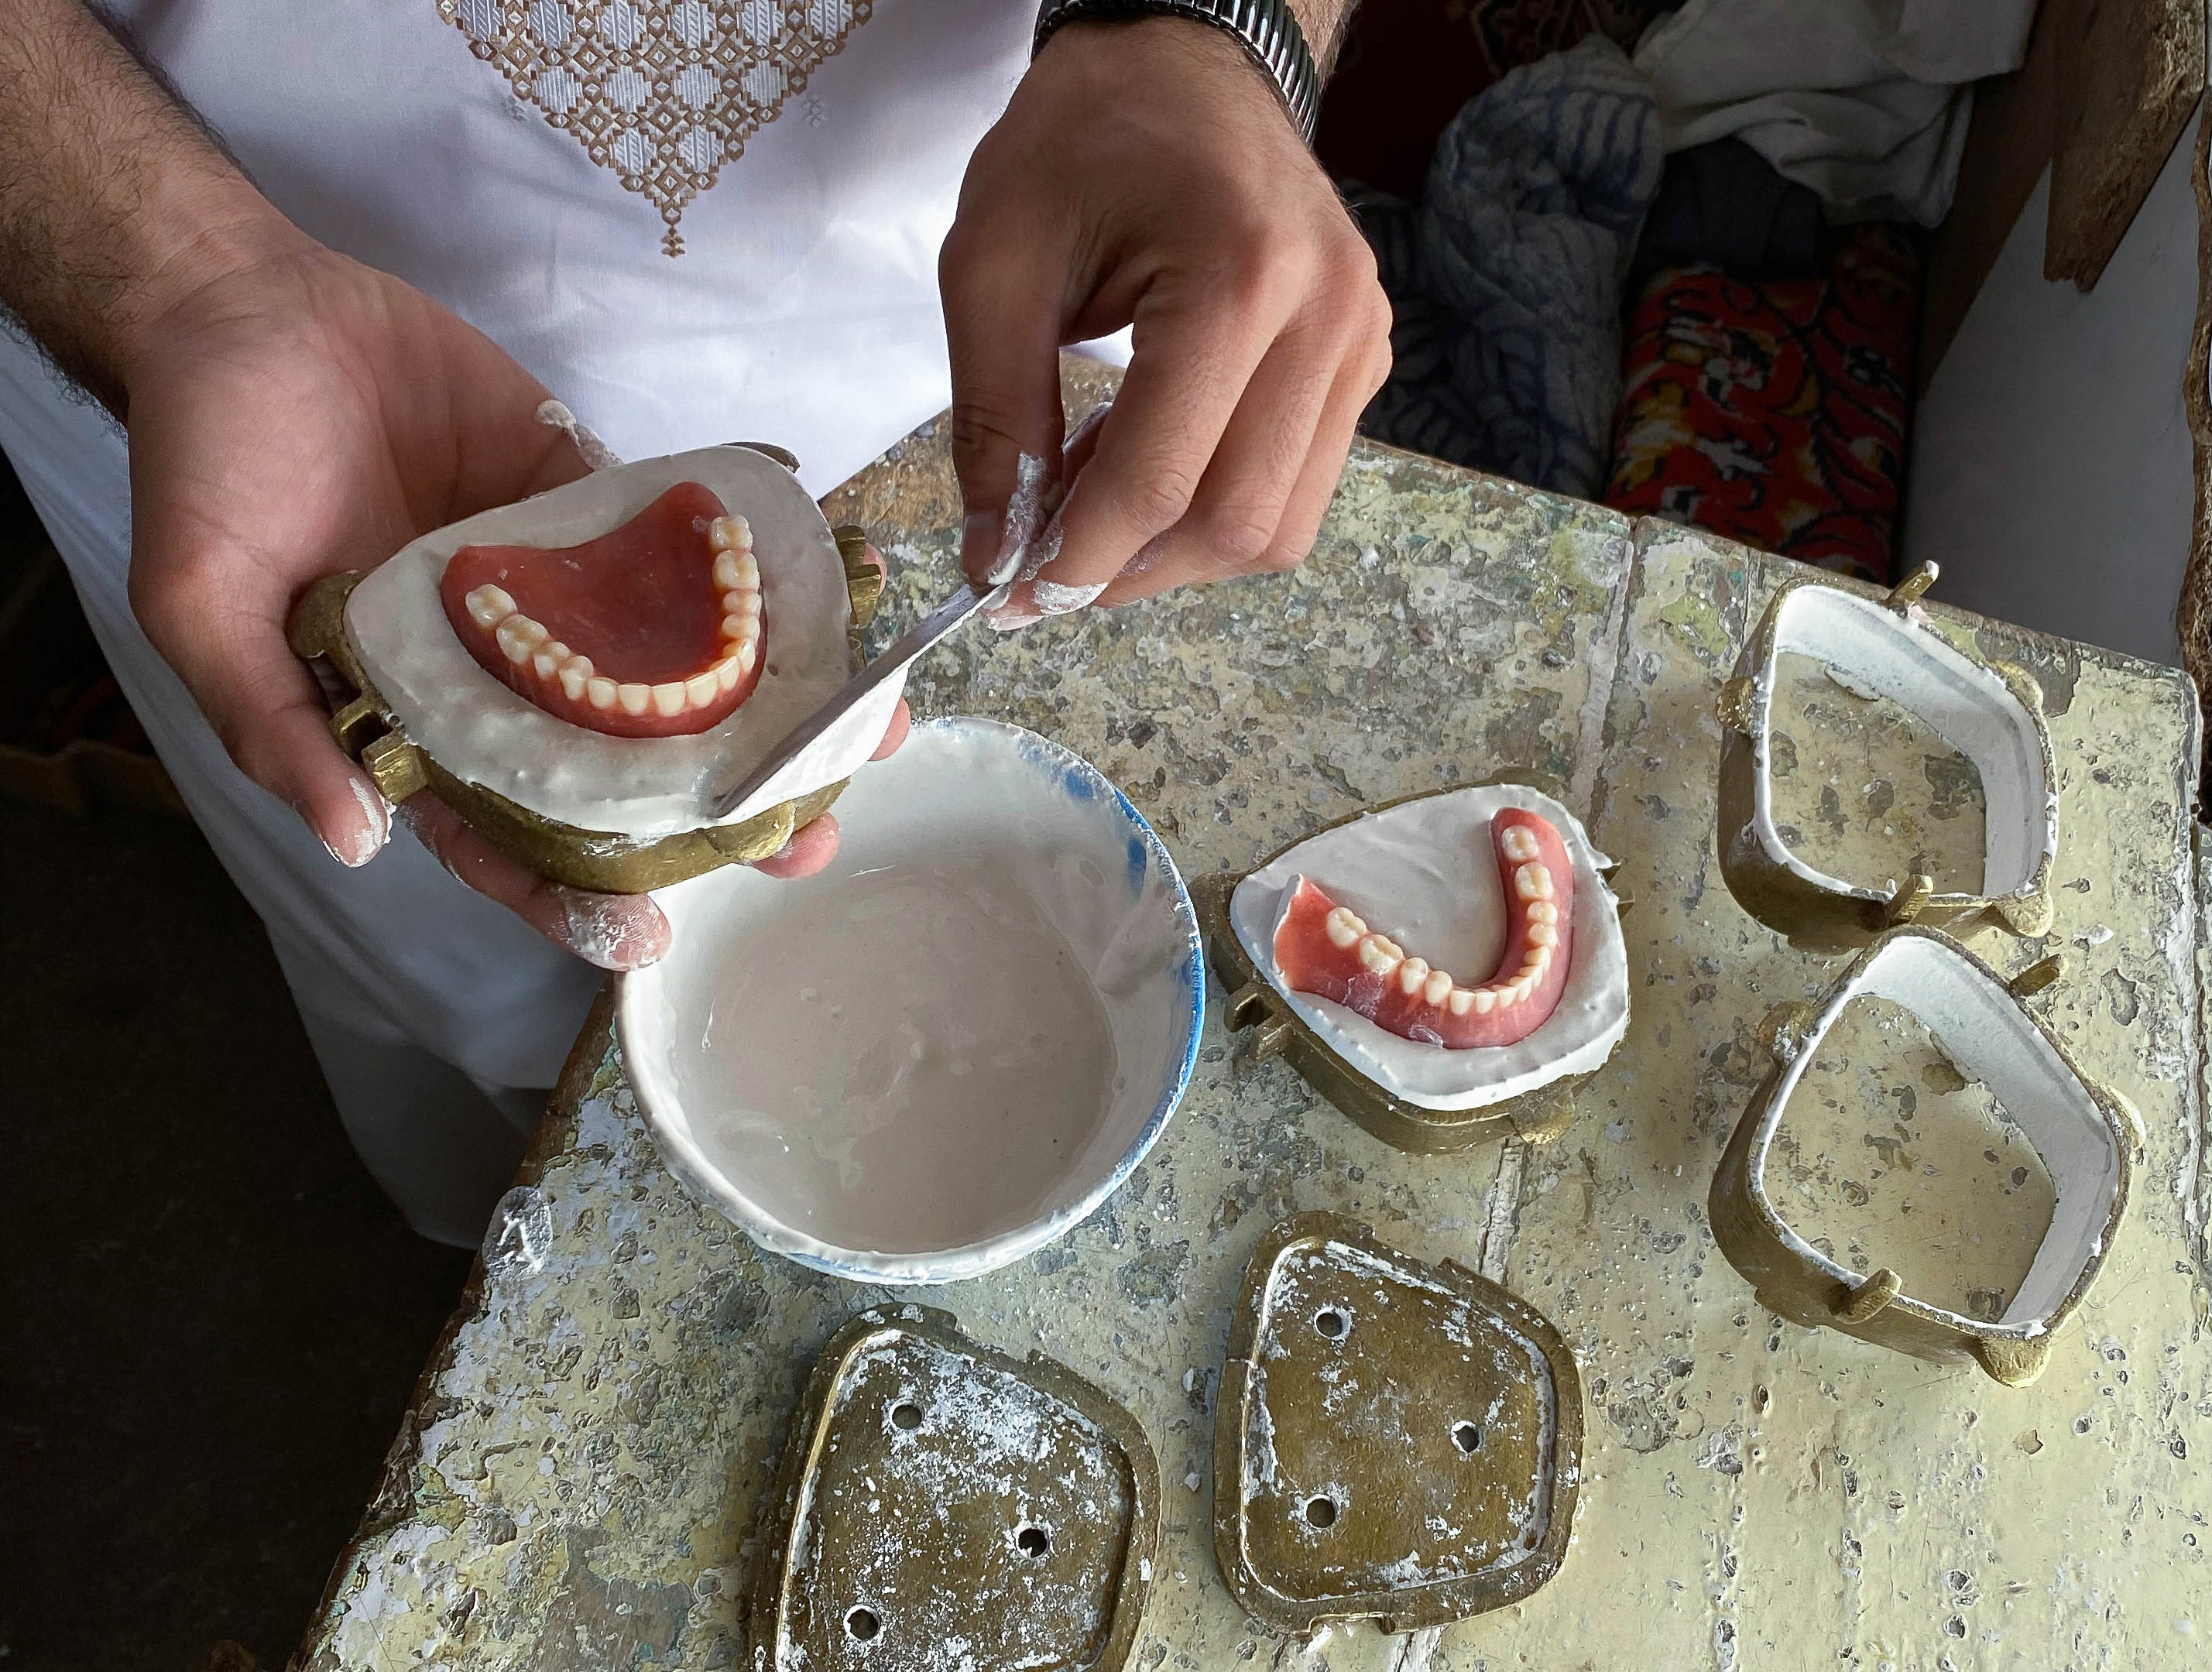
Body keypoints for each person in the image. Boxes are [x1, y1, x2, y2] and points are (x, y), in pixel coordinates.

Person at [0, 0, 1391, 1243]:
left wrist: (1215, 35)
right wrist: (177, 277)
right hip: (214, 331)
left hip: (967, 290)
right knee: (444, 984)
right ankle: (484, 1240)